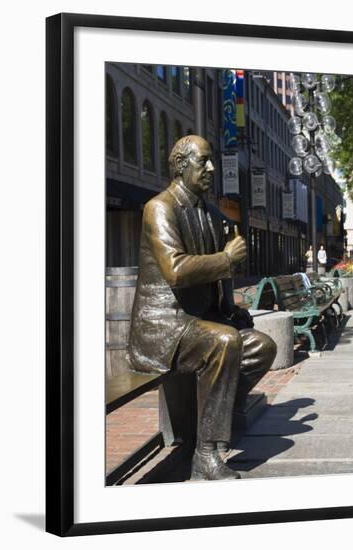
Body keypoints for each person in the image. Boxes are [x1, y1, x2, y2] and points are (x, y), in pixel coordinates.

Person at [127, 136, 276, 481]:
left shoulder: (210, 212)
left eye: (212, 162)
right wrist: (225, 259)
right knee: (224, 343)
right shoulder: (159, 208)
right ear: (181, 165)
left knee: (261, 347)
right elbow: (176, 270)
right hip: (162, 326)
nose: (211, 168)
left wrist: (228, 308)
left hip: (197, 322)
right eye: (203, 161)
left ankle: (215, 416)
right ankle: (205, 455)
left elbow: (217, 275)